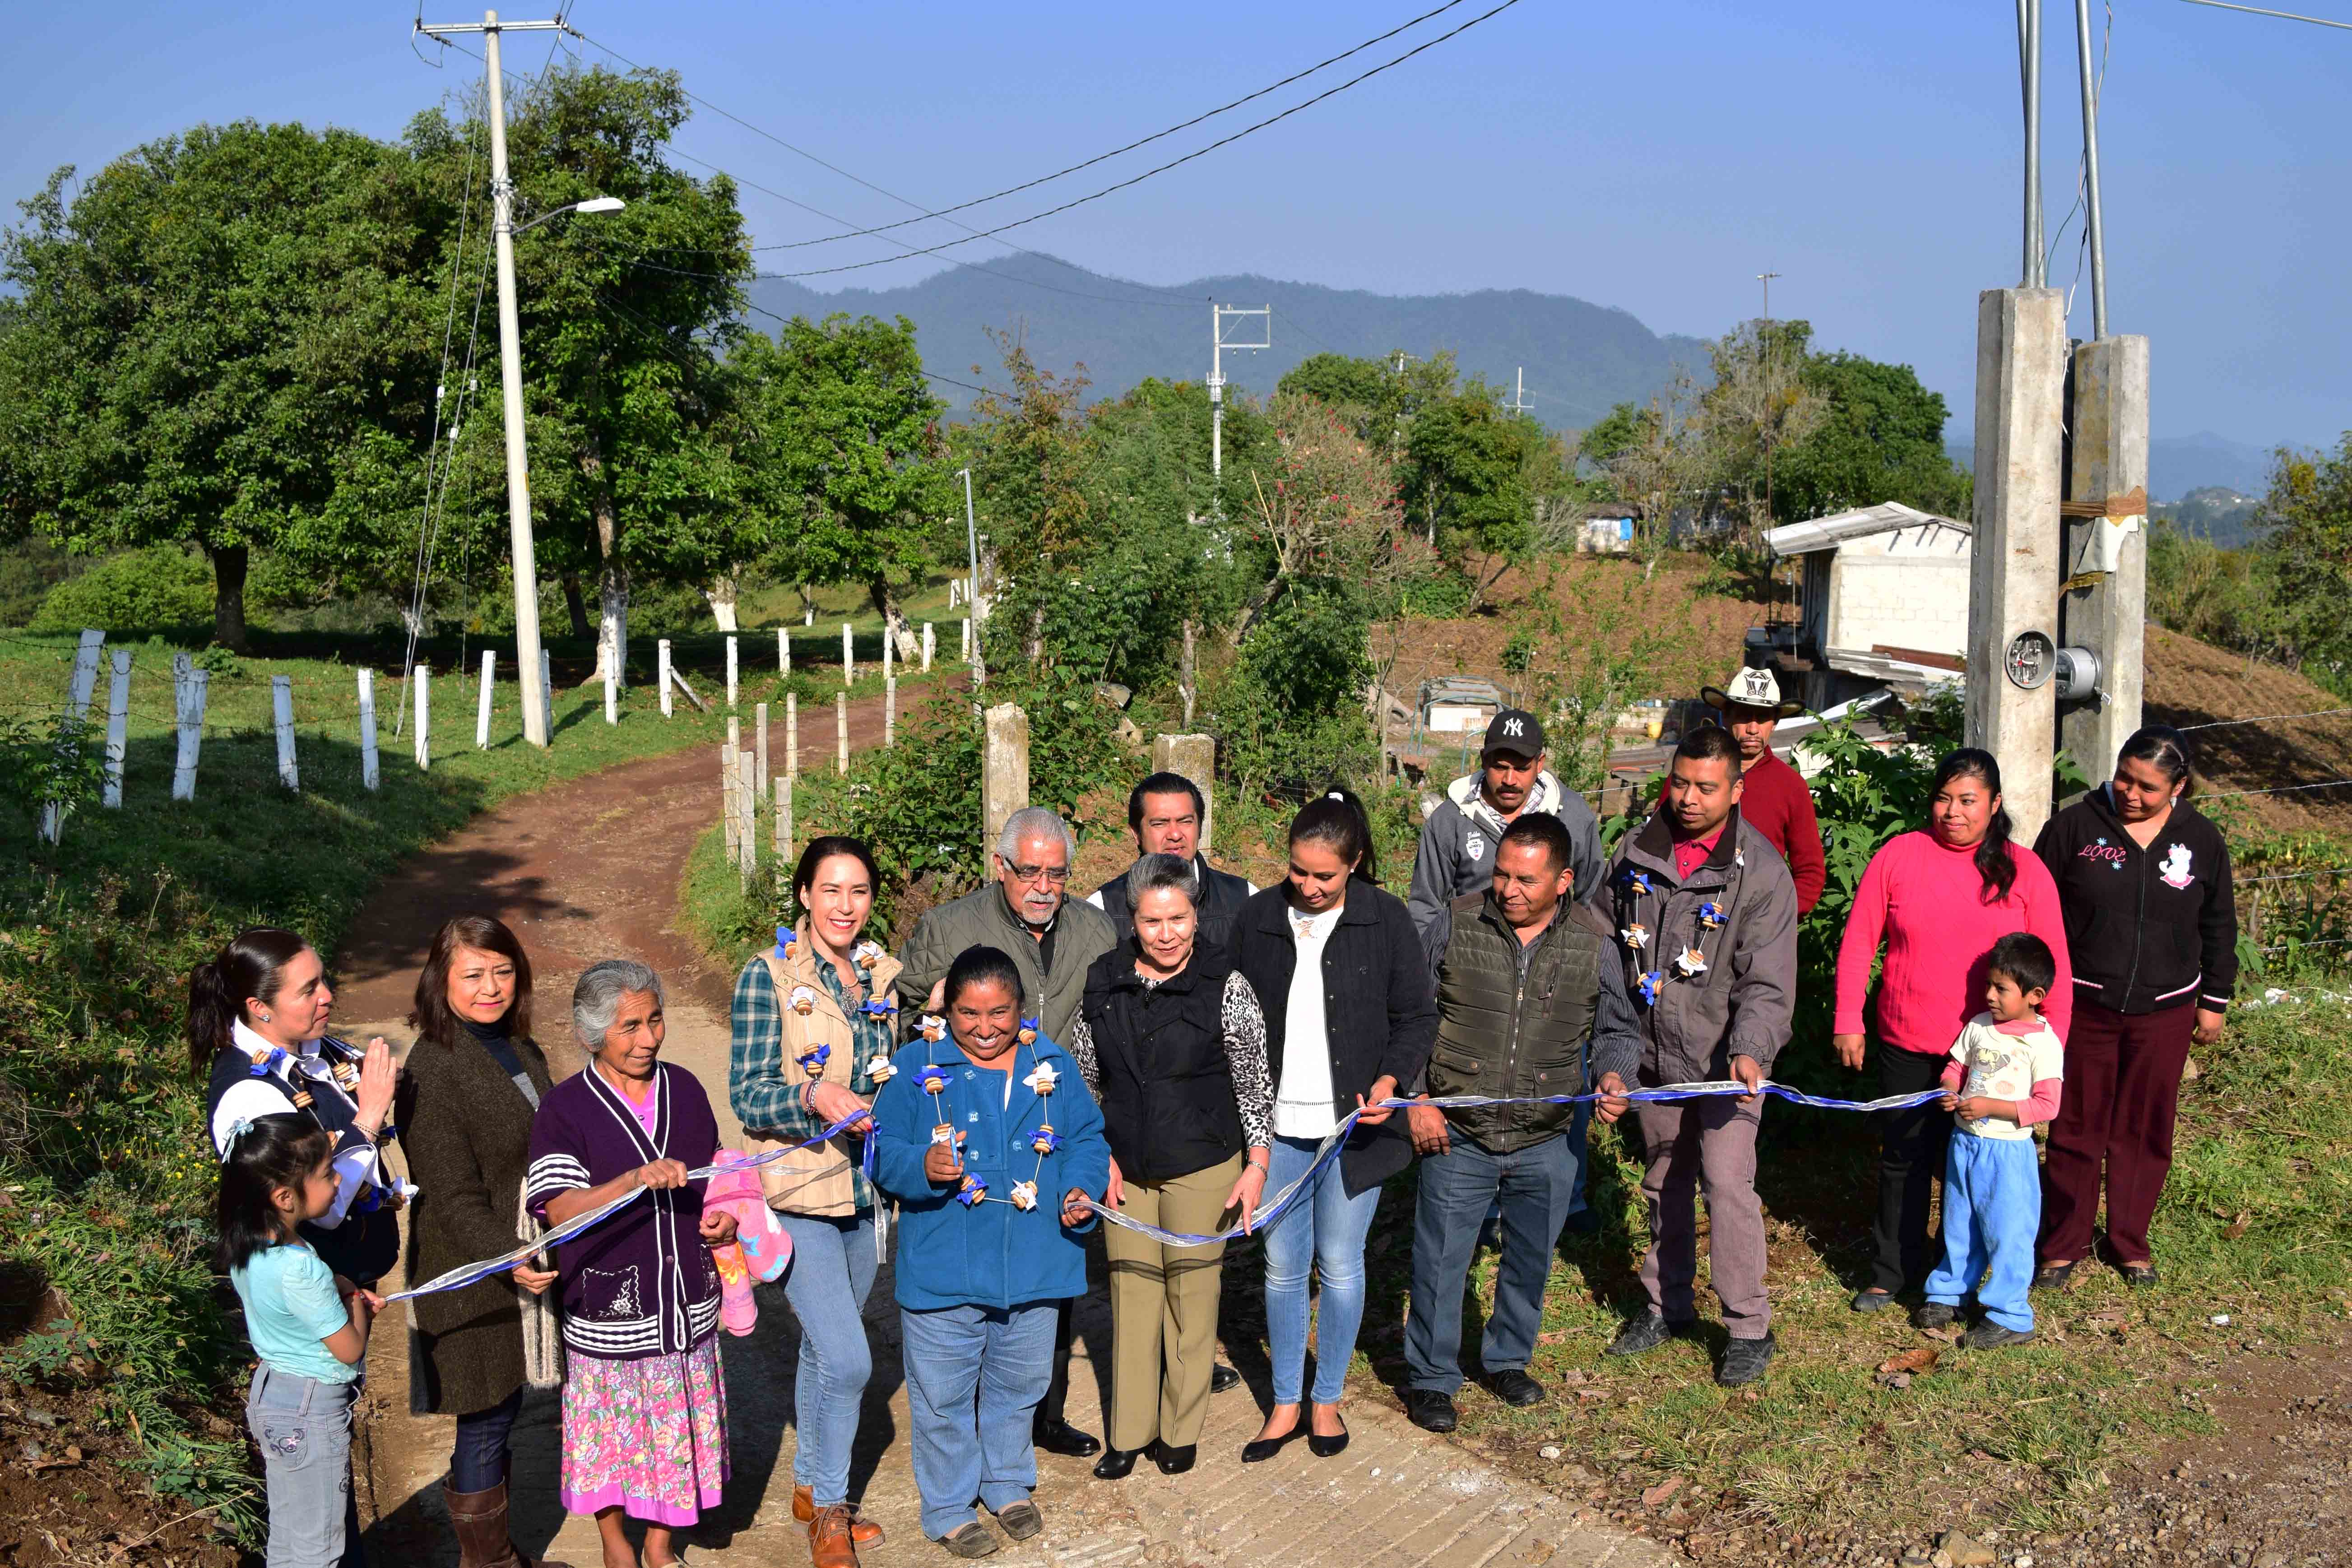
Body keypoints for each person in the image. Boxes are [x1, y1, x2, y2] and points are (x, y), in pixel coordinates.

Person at [869, 947, 1112, 1559]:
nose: (983, 1027)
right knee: (942, 1393)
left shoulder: (1051, 1064)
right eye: (967, 1014)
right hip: (943, 1266)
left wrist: (1080, 1187)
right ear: (946, 1009)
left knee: (1020, 1381)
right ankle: (949, 1504)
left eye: (998, 1012)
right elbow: (880, 1150)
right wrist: (919, 1164)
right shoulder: (913, 1066)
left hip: (1035, 1263)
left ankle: (1005, 1482)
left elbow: (1085, 1138)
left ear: (1021, 1007)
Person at [1403, 812, 1641, 1431]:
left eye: (1525, 880)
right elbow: (1408, 1017)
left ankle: (1507, 1359)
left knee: (1529, 1257)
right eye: (1501, 874)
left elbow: (1618, 1030)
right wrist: (1417, 1096)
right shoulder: (1454, 925)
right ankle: (1430, 1376)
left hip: (1548, 1133)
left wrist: (1615, 1077)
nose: (1507, 889)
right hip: (1459, 1128)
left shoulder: (1593, 944)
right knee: (1440, 1259)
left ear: (1561, 880)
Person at [895, 806, 1120, 1459]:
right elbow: (898, 1013)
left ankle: (1038, 1416)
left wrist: (1101, 1140)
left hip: (1055, 1127)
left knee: (1048, 1274)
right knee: (971, 1270)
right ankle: (965, 1421)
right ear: (1002, 867)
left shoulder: (1096, 930)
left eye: (1057, 873)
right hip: (969, 1124)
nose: (1043, 886)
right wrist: (934, 1005)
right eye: (1029, 872)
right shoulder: (949, 926)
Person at [1231, 790, 1435, 1461]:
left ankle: (1327, 1400)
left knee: (1341, 1264)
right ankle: (1285, 1399)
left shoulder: (1384, 918)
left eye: (1325, 875)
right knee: (1283, 1266)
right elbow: (1232, 1018)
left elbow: (1414, 1017)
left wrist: (1390, 1081)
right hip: (1279, 1127)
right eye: (1298, 871)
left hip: (1353, 1127)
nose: (1309, 886)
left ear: (1353, 864)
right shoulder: (1258, 917)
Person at [1834, 749, 2073, 1313]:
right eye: (1944, 798)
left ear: (1993, 805)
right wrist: (1849, 1018)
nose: (1953, 812)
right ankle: (1891, 1270)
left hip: (1997, 1055)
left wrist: (2049, 1046)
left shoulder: (2023, 871)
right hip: (1907, 1039)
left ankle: (1962, 1274)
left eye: (1968, 801)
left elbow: (2054, 964)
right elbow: (1860, 940)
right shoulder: (1900, 855)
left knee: (1974, 1168)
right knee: (1904, 1156)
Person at [1598, 724, 1799, 1386]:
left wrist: (1749, 1050)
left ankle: (1746, 1325)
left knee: (1724, 1182)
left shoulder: (1761, 871)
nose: (1687, 798)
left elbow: (1768, 982)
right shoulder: (1635, 851)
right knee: (1661, 1180)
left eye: (1705, 787)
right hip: (1654, 1058)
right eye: (1679, 782)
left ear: (1735, 789)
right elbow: (1604, 937)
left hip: (1724, 1068)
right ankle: (1665, 1304)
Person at [1066, 854, 1274, 1480]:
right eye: (1152, 920)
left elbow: (1253, 1079)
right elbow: (1082, 1077)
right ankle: (1128, 1431)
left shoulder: (1226, 984)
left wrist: (1256, 1162)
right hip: (1124, 1167)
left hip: (1202, 1164)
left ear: (1194, 915)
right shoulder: (1102, 981)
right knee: (1131, 1296)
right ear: (1133, 919)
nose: (1165, 932)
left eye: (1177, 918)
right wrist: (1092, 1152)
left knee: (1191, 1294)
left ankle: (1180, 1429)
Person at [525, 961, 737, 1568]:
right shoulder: (565, 1109)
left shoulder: (687, 1090)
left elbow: (713, 1182)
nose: (647, 1038)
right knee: (610, 1441)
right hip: (608, 1308)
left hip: (684, 1306)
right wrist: (630, 1180)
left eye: (654, 1020)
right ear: (591, 1035)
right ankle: (616, 1542)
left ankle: (660, 1543)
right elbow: (560, 1209)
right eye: (628, 1026)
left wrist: (721, 1219)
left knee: (675, 1437)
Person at [728, 836, 897, 1567]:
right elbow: (746, 1090)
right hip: (798, 1186)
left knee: (824, 1347)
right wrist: (811, 1092)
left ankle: (805, 1483)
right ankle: (830, 1510)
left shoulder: (880, 972)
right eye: (830, 889)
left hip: (866, 1188)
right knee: (852, 1359)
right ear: (803, 894)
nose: (845, 905)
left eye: (858, 890)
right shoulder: (766, 975)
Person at [2032, 726, 2237, 1290]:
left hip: (2166, 1009)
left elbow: (2219, 923)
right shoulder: (2074, 827)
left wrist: (2214, 1000)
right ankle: (2062, 1244)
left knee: (2145, 1129)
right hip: (2084, 1005)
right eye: (2125, 776)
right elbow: (2034, 907)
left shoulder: (2201, 839)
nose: (2130, 792)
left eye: (2147, 786)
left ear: (2179, 787)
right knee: (2075, 1126)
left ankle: (2129, 1242)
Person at [394, 916, 567, 1568]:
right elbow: (450, 1192)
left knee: (505, 1406)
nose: (490, 987)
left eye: (502, 971)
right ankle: (488, 1563)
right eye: (472, 974)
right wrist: (509, 1252)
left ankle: (500, 1556)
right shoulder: (431, 1068)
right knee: (485, 1414)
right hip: (472, 1264)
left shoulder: (517, 1045)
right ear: (441, 982)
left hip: (517, 1247)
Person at [192, 928, 400, 1289]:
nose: (328, 996)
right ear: (260, 1008)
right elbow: (322, 1210)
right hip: (315, 1295)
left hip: (354, 1274)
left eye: (324, 980)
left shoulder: (309, 1045)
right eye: (309, 990)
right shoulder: (249, 1095)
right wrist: (370, 1113)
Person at [221, 1112, 383, 1568]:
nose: (336, 1183)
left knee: (291, 1537)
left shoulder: (247, 1247)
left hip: (273, 1394)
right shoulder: (301, 1265)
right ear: (285, 1197)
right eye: (327, 1174)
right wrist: (356, 1299)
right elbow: (349, 1350)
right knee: (320, 1548)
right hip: (312, 1409)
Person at [1919, 932, 2065, 1349]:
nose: (1989, 995)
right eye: (1988, 985)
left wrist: (1989, 1107)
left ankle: (2010, 1314)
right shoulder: (1979, 1027)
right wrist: (1949, 1088)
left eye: (2001, 989)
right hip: (1964, 1145)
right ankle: (1949, 1292)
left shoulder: (2042, 1044)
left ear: (2035, 995)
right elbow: (1954, 1065)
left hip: (2007, 1153)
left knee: (2007, 1231)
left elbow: (2046, 1106)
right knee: (1959, 1223)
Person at [1407, 709, 1604, 933]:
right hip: (1469, 958)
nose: (1510, 780)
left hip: (1551, 962)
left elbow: (1593, 902)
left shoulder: (1573, 817)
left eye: (1521, 768)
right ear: (1483, 760)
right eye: (1500, 767)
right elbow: (1425, 908)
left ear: (1539, 763)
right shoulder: (1449, 821)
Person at [1679, 666, 1826, 914]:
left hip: (1757, 918)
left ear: (1775, 723)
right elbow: (1657, 842)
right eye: (1745, 716)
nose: (1753, 729)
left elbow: (1810, 871)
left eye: (1764, 718)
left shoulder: (1790, 786)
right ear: (1726, 717)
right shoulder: (1692, 772)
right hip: (1688, 912)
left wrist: (1779, 918)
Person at [1086, 771, 1257, 952]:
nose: (1175, 835)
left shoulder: (1245, 899)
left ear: (1200, 828)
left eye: (1185, 821)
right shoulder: (1103, 909)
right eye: (1160, 823)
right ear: (1136, 833)